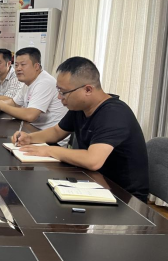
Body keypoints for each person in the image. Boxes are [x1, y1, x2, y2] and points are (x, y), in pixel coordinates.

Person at [12, 57, 149, 202]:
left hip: (123, 196)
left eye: (63, 92)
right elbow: (57, 132)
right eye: (58, 90)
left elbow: (93, 160)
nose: (59, 97)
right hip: (94, 182)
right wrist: (30, 138)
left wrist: (48, 150)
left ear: (88, 89)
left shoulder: (114, 114)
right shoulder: (80, 108)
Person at [0, 47, 67, 135]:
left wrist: (2, 106)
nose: (18, 68)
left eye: (23, 64)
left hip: (49, 137)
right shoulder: (28, 82)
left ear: (36, 66)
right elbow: (15, 102)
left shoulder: (44, 82)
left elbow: (30, 115)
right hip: (33, 129)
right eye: (16, 65)